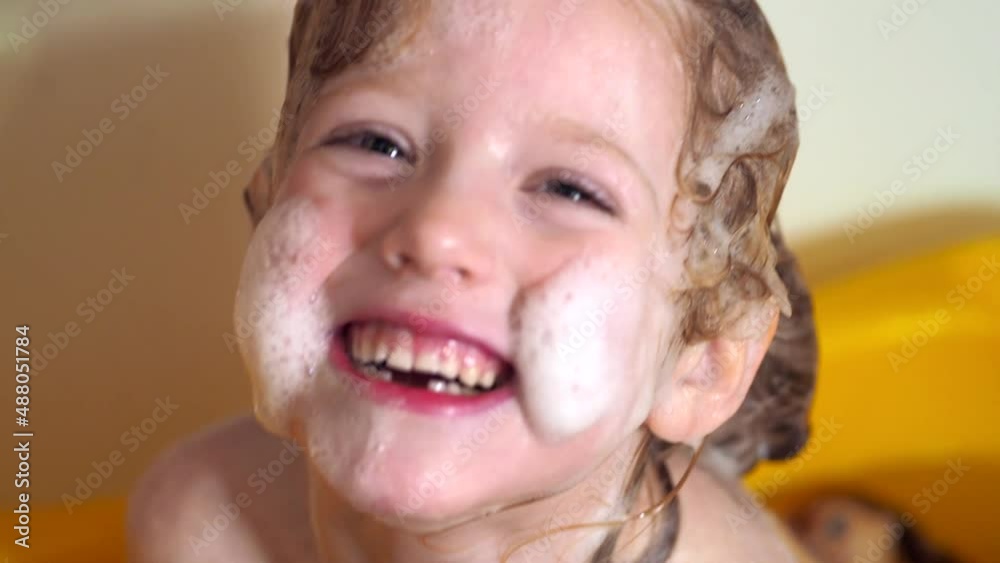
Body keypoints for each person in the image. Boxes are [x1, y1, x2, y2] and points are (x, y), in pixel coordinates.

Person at [128, 1, 820, 561]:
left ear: (703, 362)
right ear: (268, 201)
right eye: (375, 142)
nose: (435, 230)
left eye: (569, 189)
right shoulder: (199, 525)